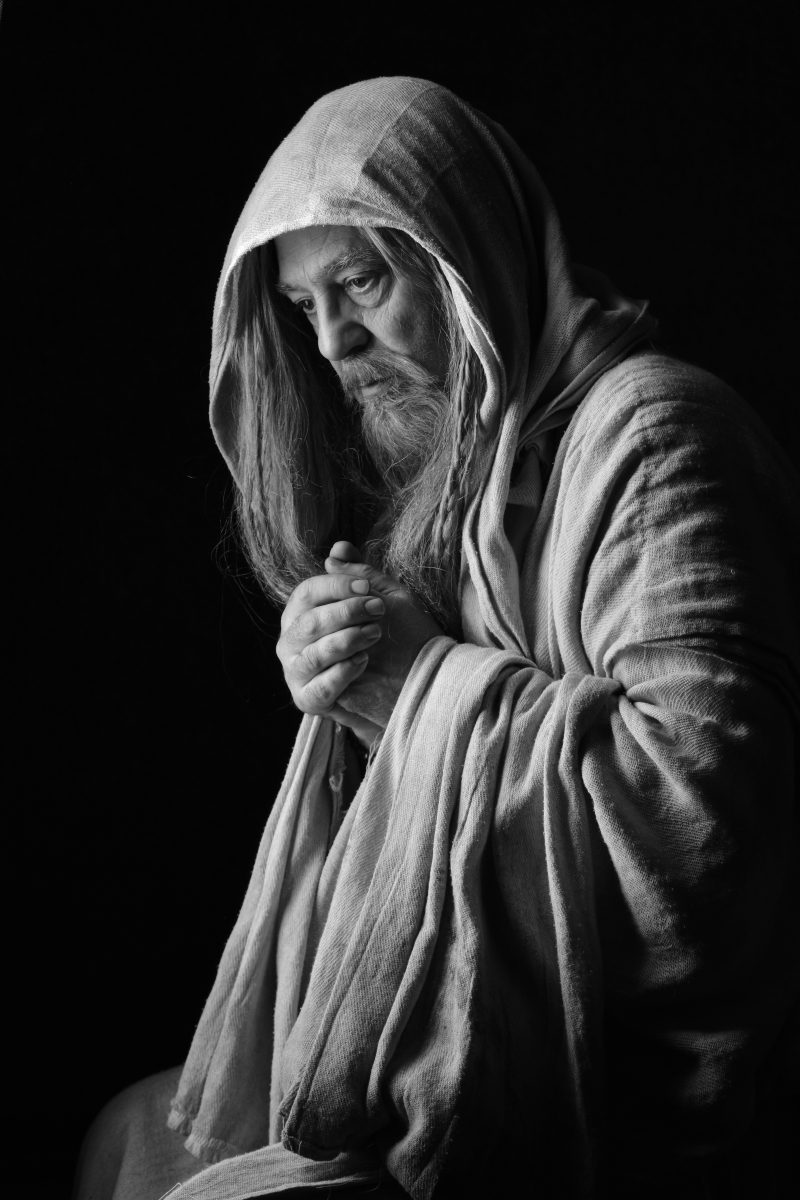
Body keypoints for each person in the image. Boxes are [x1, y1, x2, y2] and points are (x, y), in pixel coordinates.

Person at [74, 77, 799, 1200]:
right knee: (123, 1135)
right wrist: (350, 699)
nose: (334, 342)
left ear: (466, 253)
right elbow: (429, 828)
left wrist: (417, 684)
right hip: (467, 1047)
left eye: (361, 281)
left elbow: (701, 848)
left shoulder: (655, 435)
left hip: (633, 1100)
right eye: (303, 306)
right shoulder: (468, 469)